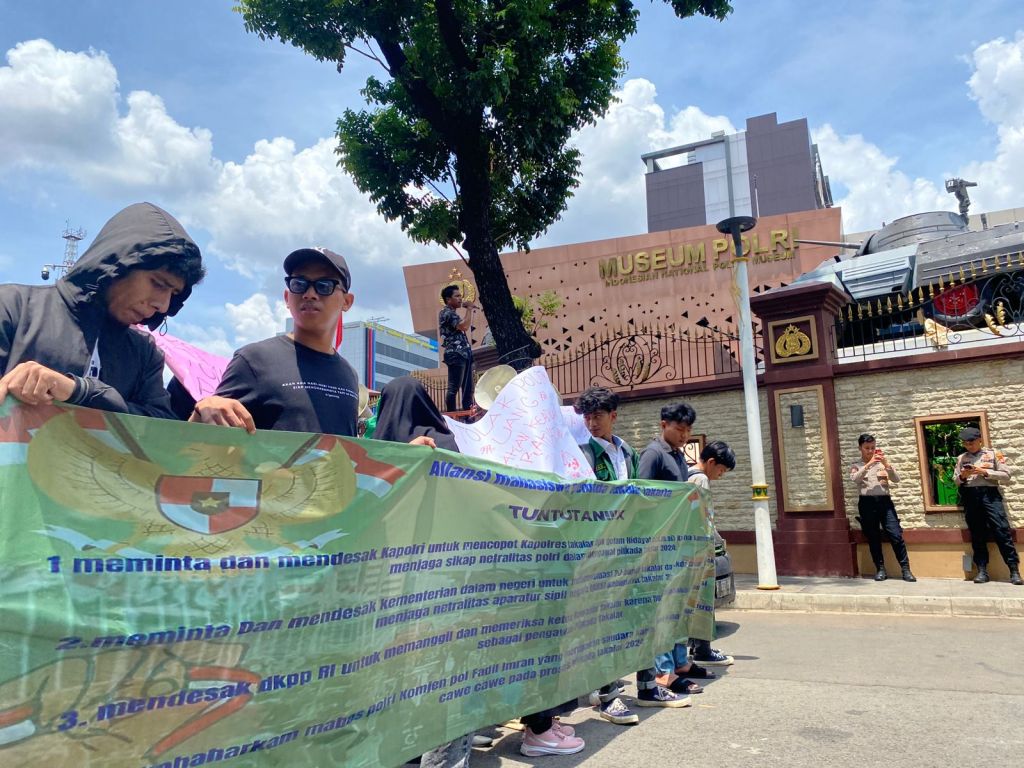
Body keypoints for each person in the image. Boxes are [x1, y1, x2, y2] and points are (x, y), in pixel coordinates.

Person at [0, 202, 205, 416]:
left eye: (173, 293)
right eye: (158, 284)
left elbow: (157, 425)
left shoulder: (145, 353)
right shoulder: (12, 307)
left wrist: (80, 391)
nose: (163, 305)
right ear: (117, 265)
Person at [191, 247, 362, 436]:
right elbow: (204, 437)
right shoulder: (254, 360)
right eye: (299, 284)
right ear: (287, 297)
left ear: (347, 302)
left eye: (324, 285)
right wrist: (204, 409)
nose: (310, 294)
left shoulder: (349, 374)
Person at [574, 386, 642, 725]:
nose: (592, 423)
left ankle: (600, 685)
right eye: (587, 417)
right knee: (601, 623)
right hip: (595, 550)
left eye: (598, 416)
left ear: (613, 416)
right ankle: (607, 695)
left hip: (625, 547)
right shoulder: (582, 453)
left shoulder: (628, 452)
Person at [633, 402, 700, 707]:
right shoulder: (653, 454)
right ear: (663, 425)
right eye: (679, 429)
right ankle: (663, 673)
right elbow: (641, 498)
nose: (684, 435)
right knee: (660, 609)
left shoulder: (677, 456)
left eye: (688, 430)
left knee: (674, 606)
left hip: (676, 542)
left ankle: (675, 665)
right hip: (658, 545)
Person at [685, 441, 738, 668]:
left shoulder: (688, 474)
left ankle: (698, 647)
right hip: (697, 549)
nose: (721, 475)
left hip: (687, 547)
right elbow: (703, 518)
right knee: (703, 600)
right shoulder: (700, 479)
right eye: (721, 470)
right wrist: (717, 541)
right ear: (711, 462)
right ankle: (703, 649)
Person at [954, 427, 1022, 585]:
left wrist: (984, 472)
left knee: (1001, 530)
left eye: (971, 442)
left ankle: (1014, 570)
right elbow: (956, 480)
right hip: (971, 496)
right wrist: (963, 476)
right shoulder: (962, 458)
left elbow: (1006, 475)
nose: (968, 446)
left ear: (980, 440)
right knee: (977, 534)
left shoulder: (993, 454)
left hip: (990, 495)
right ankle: (982, 571)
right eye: (965, 443)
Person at [850, 434, 916, 582]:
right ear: (860, 448)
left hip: (885, 502)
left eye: (873, 447)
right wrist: (869, 464)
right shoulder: (856, 465)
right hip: (867, 503)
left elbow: (896, 479)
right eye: (867, 448)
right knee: (873, 537)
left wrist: (886, 464)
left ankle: (906, 569)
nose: (870, 451)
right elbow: (855, 479)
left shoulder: (882, 464)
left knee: (896, 535)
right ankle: (880, 569)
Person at [439, 285, 475, 412]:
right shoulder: (447, 313)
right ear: (448, 299)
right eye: (457, 296)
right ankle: (452, 416)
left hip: (464, 353)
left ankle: (468, 415)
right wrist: (469, 309)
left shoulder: (453, 313)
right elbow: (464, 326)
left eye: (461, 296)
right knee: (453, 388)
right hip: (456, 354)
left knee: (468, 388)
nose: (460, 298)